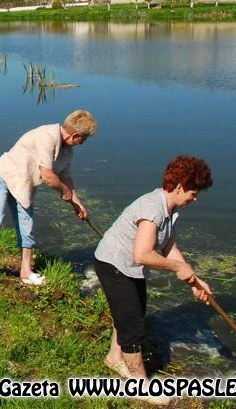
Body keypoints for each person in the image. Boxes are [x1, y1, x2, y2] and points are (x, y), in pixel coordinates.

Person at [94, 155, 212, 405]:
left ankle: (115, 359)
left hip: (130, 267)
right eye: (194, 191)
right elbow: (143, 254)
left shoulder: (169, 209)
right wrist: (178, 268)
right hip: (113, 264)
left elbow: (169, 248)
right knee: (133, 325)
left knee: (132, 314)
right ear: (179, 186)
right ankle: (139, 385)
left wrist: (195, 282)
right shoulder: (153, 209)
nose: (195, 197)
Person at [0, 109, 97, 290]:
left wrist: (77, 203)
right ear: (75, 135)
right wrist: (64, 192)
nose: (82, 143)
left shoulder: (67, 150)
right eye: (82, 139)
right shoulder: (47, 136)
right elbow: (47, 176)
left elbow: (65, 178)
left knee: (27, 228)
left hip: (24, 186)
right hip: (4, 177)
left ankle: (26, 272)